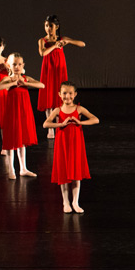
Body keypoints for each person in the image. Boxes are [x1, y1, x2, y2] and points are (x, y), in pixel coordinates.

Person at [42, 81, 99, 213]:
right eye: (64, 93)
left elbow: (95, 119)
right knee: (64, 172)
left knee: (76, 173)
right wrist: (61, 124)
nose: (67, 96)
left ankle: (75, 202)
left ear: (75, 94)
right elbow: (46, 124)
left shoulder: (79, 109)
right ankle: (65, 202)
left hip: (76, 145)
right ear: (59, 94)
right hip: (62, 145)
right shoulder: (57, 110)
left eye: (70, 93)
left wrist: (80, 122)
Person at [0, 53, 44, 180]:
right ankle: (11, 169)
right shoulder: (8, 78)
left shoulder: (25, 78)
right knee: (12, 140)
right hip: (12, 112)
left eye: (19, 64)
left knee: (22, 140)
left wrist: (24, 83)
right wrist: (12, 84)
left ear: (23, 65)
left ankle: (23, 168)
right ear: (9, 66)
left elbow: (42, 85)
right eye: (14, 64)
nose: (16, 66)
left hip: (24, 111)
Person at [37, 15, 86, 138]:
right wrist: (55, 46)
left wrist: (68, 41)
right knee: (49, 97)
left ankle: (59, 124)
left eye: (51, 26)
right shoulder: (42, 40)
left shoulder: (61, 38)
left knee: (59, 95)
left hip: (59, 70)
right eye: (46, 26)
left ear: (57, 27)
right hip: (48, 70)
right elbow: (43, 53)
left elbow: (82, 44)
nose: (48, 28)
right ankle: (50, 129)